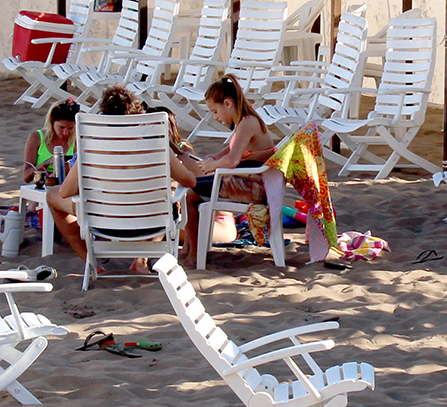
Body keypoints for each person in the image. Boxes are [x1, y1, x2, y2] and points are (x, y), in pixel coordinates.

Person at [44, 86, 196, 273]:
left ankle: (91, 263)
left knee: (52, 196)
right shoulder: (158, 148)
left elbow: (65, 192)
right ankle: (141, 259)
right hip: (151, 222)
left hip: (103, 222)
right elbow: (191, 182)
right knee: (168, 196)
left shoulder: (91, 149)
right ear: (139, 117)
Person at [184, 76, 281, 265]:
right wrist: (213, 158)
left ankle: (194, 254)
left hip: (254, 186)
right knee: (191, 190)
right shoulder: (243, 120)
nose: (215, 116)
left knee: (191, 194)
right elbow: (227, 151)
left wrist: (213, 166)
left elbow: (232, 160)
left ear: (227, 103)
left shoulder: (248, 122)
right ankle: (189, 250)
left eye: (215, 111)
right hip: (249, 180)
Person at [22, 100, 80, 185]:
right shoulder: (36, 137)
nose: (65, 132)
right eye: (62, 127)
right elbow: (26, 177)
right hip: (42, 184)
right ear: (52, 120)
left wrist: (71, 169)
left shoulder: (76, 140)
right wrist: (45, 164)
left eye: (70, 128)